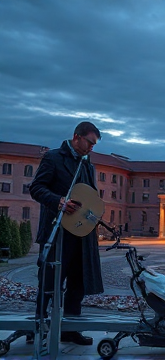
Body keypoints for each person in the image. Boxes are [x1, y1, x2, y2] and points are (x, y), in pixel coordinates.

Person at [29, 121, 104, 346]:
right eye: (90, 143)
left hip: (81, 234)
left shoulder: (88, 164)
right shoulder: (53, 158)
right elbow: (36, 188)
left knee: (77, 285)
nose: (92, 148)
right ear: (76, 137)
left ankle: (70, 330)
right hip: (57, 231)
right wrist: (58, 201)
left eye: (94, 145)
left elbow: (89, 195)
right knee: (49, 283)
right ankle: (37, 329)